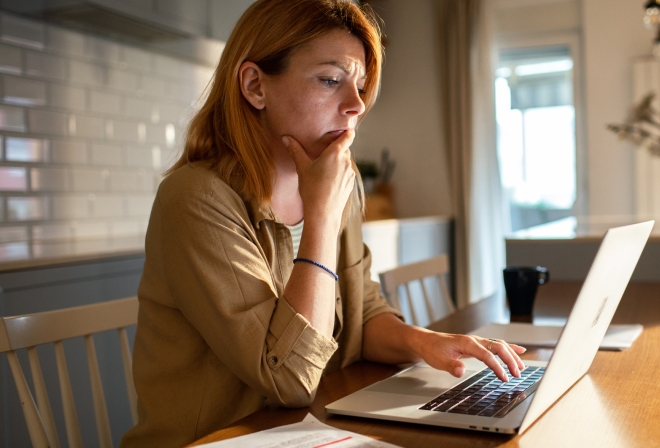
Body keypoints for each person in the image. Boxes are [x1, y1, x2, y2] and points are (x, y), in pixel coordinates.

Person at [121, 1, 525, 446]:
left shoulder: (335, 182)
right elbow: (291, 381)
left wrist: (423, 342)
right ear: (255, 85)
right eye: (331, 80)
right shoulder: (196, 198)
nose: (355, 106)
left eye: (361, 86)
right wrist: (321, 217)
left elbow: (361, 313)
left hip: (304, 432)